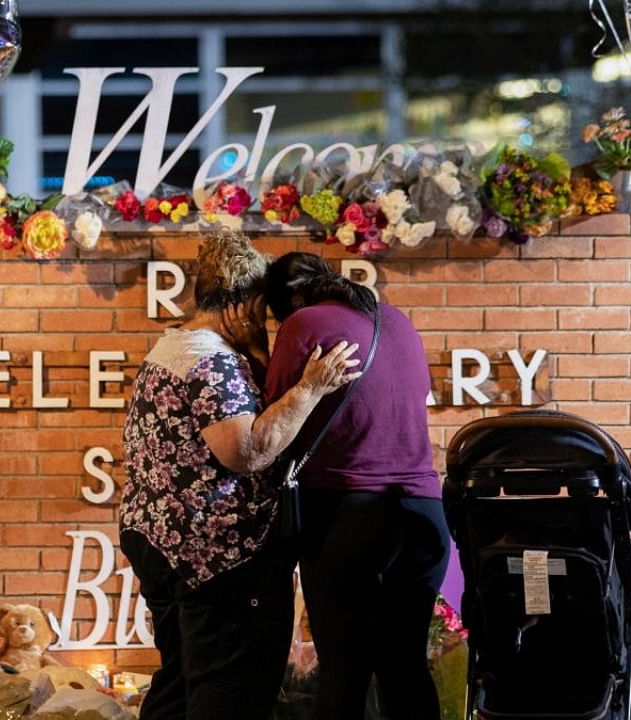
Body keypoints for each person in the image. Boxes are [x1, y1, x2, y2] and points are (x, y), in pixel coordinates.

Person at [119, 232, 361, 720]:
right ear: (243, 301)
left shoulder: (174, 347)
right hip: (218, 556)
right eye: (263, 307)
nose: (272, 320)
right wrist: (310, 388)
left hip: (163, 543)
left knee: (180, 683)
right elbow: (248, 451)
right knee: (231, 689)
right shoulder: (214, 364)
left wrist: (255, 348)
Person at [263, 252, 450, 720]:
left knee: (345, 669)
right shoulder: (396, 321)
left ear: (289, 300)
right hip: (424, 512)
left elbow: (274, 421)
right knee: (405, 665)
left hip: (347, 514)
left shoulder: (304, 323)